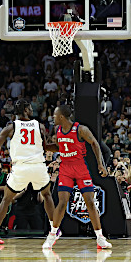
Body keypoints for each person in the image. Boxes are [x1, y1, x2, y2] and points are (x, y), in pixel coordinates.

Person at [0, 99, 56, 246]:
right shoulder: (40, 126)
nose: (32, 110)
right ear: (24, 110)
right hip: (38, 166)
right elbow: (45, 148)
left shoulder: (10, 128)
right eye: (29, 108)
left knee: (5, 200)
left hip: (21, 168)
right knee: (47, 195)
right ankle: (54, 231)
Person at [43, 104, 112, 250]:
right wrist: (45, 146)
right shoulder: (58, 130)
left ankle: (100, 237)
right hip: (66, 167)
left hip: (80, 167)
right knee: (62, 202)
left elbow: (94, 143)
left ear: (61, 116)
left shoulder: (80, 129)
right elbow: (59, 147)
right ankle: (52, 235)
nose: (53, 118)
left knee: (90, 202)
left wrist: (101, 164)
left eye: (55, 115)